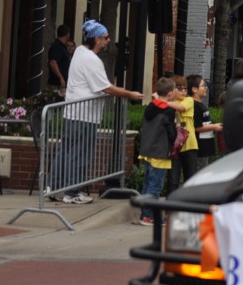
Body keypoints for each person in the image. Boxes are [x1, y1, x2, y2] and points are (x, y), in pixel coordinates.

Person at [49, 20, 144, 204]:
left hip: (73, 111)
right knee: (80, 154)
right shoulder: (92, 59)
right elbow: (106, 87)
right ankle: (72, 192)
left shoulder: (79, 51)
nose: (108, 41)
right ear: (96, 39)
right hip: (85, 115)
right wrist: (130, 94)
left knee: (66, 150)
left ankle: (54, 186)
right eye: (106, 38)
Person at [137, 76, 178, 226]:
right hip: (160, 152)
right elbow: (171, 134)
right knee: (155, 186)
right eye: (174, 90)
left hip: (147, 149)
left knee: (147, 184)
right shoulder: (168, 111)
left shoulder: (150, 107)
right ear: (170, 94)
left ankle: (144, 214)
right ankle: (150, 216)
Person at [165, 75, 198, 195]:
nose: (184, 91)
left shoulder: (188, 100)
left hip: (189, 144)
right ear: (172, 89)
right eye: (180, 88)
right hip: (174, 147)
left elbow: (181, 107)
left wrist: (163, 102)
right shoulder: (168, 102)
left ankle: (190, 209)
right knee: (173, 180)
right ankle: (169, 211)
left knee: (191, 179)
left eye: (185, 88)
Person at [186, 74, 222, 168]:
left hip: (205, 145)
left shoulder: (200, 104)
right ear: (194, 89)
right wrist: (214, 127)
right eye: (203, 86)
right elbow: (197, 127)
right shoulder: (194, 105)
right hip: (200, 146)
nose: (206, 88)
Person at [47, 25, 72, 92]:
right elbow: (53, 62)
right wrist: (61, 78)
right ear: (67, 35)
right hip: (57, 84)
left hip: (62, 83)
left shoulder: (62, 47)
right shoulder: (56, 47)